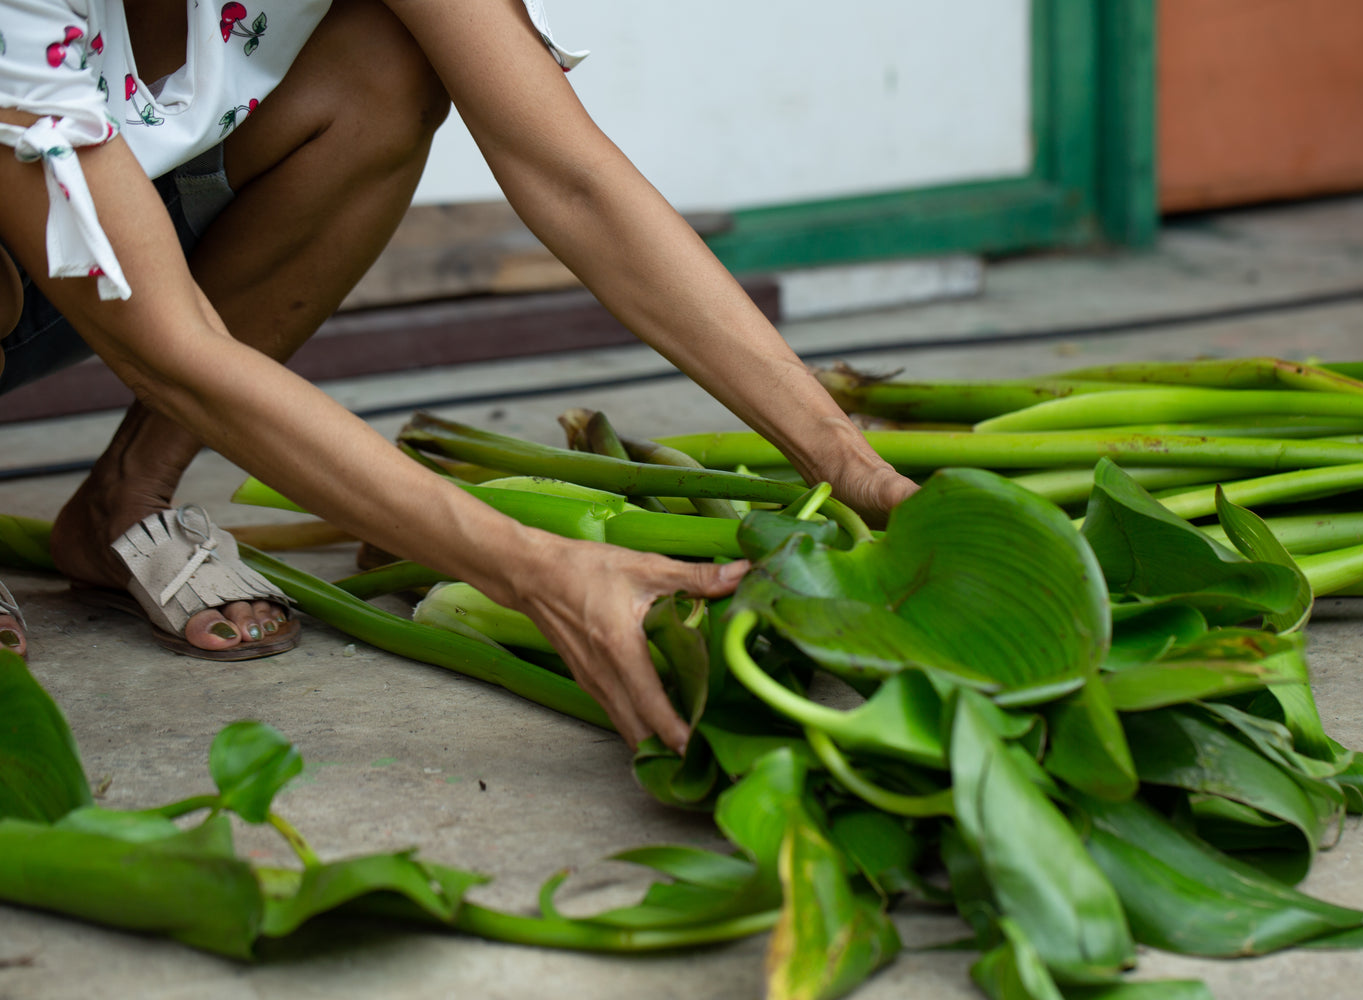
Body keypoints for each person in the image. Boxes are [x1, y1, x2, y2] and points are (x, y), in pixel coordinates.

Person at [0, 0, 919, 751]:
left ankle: (124, 498)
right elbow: (171, 347)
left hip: (113, 204)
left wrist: (843, 458)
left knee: (382, 69)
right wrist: (536, 569)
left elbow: (571, 180)